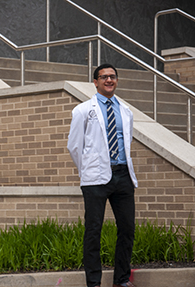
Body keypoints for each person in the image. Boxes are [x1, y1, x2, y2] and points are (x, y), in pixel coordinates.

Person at [67, 63, 138, 287]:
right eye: (104, 77)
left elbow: (127, 142)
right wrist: (88, 169)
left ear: (117, 81)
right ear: (95, 82)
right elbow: (74, 146)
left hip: (123, 176)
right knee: (93, 231)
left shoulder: (126, 111)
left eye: (113, 76)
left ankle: (121, 280)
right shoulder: (82, 110)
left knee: (127, 228)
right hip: (95, 180)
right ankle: (94, 283)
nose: (109, 80)